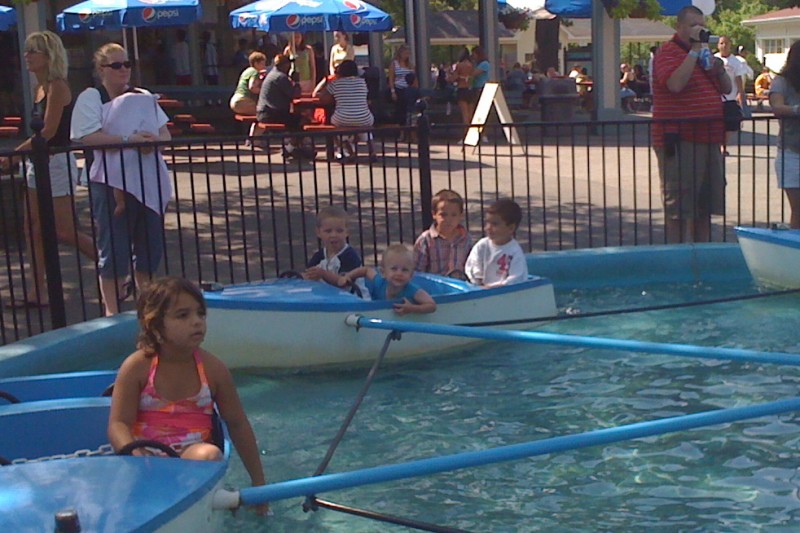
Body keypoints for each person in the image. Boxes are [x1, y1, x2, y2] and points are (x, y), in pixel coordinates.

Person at [107, 276, 268, 514]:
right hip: (146, 459)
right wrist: (133, 451)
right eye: (183, 315)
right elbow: (118, 423)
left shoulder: (213, 370)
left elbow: (237, 424)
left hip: (191, 460)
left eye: (200, 314)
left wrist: (259, 485)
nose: (196, 322)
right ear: (155, 325)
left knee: (210, 454)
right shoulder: (137, 367)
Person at [71, 42, 173, 316]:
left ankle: (147, 308)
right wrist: (129, 140)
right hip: (108, 182)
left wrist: (153, 142)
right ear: (101, 69)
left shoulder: (142, 96)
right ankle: (112, 312)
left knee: (149, 249)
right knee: (113, 249)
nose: (124, 70)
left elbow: (164, 134)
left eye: (127, 64)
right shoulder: (92, 97)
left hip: (146, 181)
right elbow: (86, 137)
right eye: (116, 65)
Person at [0, 31, 96, 309]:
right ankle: (38, 290)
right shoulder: (38, 88)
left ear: (48, 56)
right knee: (33, 229)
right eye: (27, 50)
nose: (27, 56)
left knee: (64, 230)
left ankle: (112, 268)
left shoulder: (58, 87)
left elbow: (50, 131)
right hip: (37, 163)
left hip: (56, 162)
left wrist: (15, 155)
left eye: (34, 51)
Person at [652, 5, 731, 244]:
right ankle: (677, 258)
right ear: (679, 27)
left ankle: (703, 256)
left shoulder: (705, 55)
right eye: (693, 25)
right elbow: (675, 84)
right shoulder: (668, 53)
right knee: (679, 207)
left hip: (709, 137)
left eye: (702, 25)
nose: (700, 29)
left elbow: (726, 89)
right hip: (680, 139)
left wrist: (718, 69)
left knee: (704, 207)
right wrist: (694, 52)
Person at [338, 244, 436, 315]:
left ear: (411, 275)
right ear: (383, 272)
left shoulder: (412, 290)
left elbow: (431, 305)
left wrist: (412, 308)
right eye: (394, 269)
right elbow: (366, 270)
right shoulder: (380, 282)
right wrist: (348, 276)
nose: (399, 273)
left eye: (405, 270)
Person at [316, 59, 375, 161]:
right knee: (364, 126)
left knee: (335, 127)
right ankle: (372, 151)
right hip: (364, 117)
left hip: (342, 118)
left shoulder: (336, 83)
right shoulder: (362, 82)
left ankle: (346, 149)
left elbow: (322, 98)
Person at [769, 40, 800, 229]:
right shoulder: (781, 81)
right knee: (798, 209)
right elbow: (777, 107)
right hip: (791, 151)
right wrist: (797, 110)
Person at [304, 206, 367, 297]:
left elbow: (343, 282)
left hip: (355, 300)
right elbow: (308, 274)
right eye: (328, 231)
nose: (334, 235)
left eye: (339, 231)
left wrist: (323, 274)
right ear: (318, 232)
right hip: (330, 299)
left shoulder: (350, 256)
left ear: (347, 232)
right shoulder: (319, 255)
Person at [465, 198, 528, 288]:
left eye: (495, 224)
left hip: (504, 294)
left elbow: (516, 278)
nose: (488, 228)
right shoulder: (482, 246)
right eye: (487, 223)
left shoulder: (515, 252)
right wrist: (478, 282)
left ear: (511, 228)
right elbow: (473, 265)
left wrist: (494, 288)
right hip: (479, 291)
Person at [256, 54, 309, 160]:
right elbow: (295, 94)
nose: (290, 66)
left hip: (264, 112)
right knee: (303, 120)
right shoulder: (280, 77)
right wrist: (296, 81)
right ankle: (290, 148)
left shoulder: (272, 74)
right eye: (289, 64)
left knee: (295, 119)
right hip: (271, 114)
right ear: (283, 65)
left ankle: (295, 148)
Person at [413, 189, 473, 276]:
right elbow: (418, 271)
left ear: (461, 216)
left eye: (454, 215)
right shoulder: (426, 240)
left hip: (460, 286)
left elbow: (471, 266)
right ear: (434, 214)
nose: (448, 220)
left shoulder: (466, 239)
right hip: (434, 286)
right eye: (443, 215)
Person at [715, 35, 749, 143]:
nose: (724, 46)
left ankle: (723, 144)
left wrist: (740, 93)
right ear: (718, 45)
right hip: (716, 98)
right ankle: (719, 145)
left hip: (731, 98)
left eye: (726, 43)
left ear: (730, 45)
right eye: (721, 43)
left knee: (731, 124)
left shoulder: (736, 61)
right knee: (717, 124)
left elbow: (738, 78)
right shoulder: (713, 59)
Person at [230, 51, 267, 116]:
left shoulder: (247, 71)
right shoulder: (254, 72)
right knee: (264, 113)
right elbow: (252, 87)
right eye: (262, 64)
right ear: (256, 63)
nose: (264, 67)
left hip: (235, 100)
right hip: (243, 101)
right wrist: (264, 91)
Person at [388, 45, 415, 128]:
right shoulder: (394, 64)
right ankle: (400, 129)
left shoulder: (410, 65)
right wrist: (392, 91)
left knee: (408, 109)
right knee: (400, 110)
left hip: (407, 89)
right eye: (405, 53)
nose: (407, 55)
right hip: (398, 88)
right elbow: (391, 78)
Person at [449, 48, 474, 128]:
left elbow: (454, 78)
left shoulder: (459, 65)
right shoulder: (471, 65)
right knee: (470, 114)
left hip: (462, 89)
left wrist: (450, 76)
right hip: (470, 89)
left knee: (464, 115)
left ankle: (466, 135)